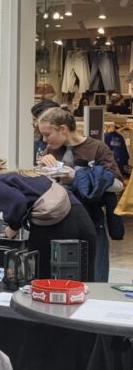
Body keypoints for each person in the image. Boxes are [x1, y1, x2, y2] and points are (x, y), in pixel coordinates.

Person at [38, 106, 123, 281]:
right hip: (60, 224)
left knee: (95, 278)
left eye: (47, 134)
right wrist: (43, 171)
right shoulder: (50, 152)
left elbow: (117, 185)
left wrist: (78, 176)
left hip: (92, 222)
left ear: (63, 129)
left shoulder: (97, 148)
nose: (45, 140)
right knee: (61, 278)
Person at [0, 160, 97, 280]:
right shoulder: (28, 176)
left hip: (56, 223)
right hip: (81, 217)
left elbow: (18, 202)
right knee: (85, 275)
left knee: (42, 277)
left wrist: (13, 227)